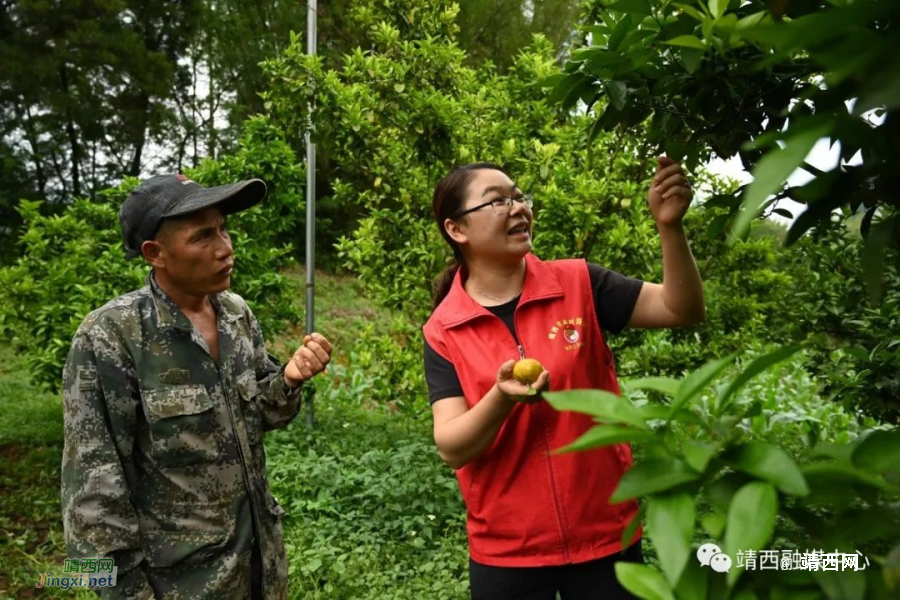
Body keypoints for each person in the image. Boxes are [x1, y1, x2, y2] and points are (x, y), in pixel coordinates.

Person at [423, 159, 705, 600]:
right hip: (507, 552)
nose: (517, 207)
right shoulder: (444, 329)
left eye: (519, 196)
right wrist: (500, 397)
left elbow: (681, 309)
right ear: (457, 230)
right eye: (497, 201)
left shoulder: (578, 282)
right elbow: (452, 446)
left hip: (606, 534)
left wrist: (670, 228)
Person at [61, 174, 333, 600]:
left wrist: (288, 380)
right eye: (203, 235)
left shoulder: (236, 315)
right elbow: (93, 496)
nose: (226, 247)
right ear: (156, 253)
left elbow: (260, 414)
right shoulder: (111, 336)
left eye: (223, 227)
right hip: (180, 586)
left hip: (260, 571)